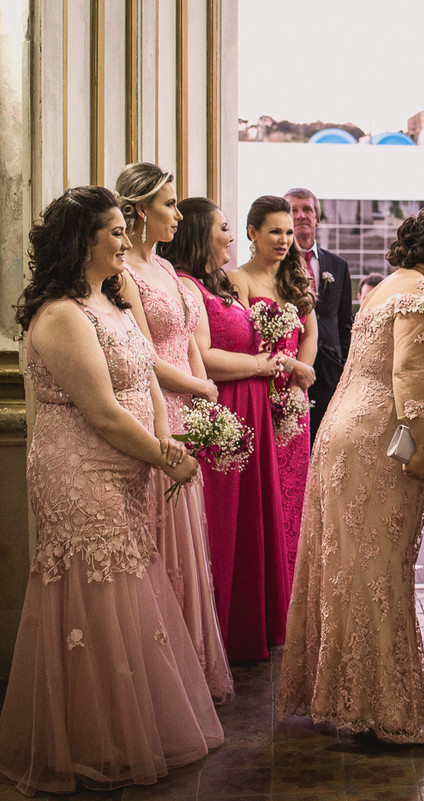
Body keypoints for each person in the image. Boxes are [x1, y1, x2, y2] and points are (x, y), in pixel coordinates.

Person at [0, 186, 222, 794]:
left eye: (126, 231)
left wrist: (163, 438)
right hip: (79, 470)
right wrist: (162, 457)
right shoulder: (63, 315)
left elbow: (145, 374)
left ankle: (123, 733)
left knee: (129, 590)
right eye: (116, 232)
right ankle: (90, 742)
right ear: (84, 242)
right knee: (99, 591)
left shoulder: (112, 300)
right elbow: (98, 411)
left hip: (127, 463)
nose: (127, 242)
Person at [276, 203, 424, 744]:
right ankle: (384, 709)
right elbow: (410, 373)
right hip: (382, 442)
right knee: (378, 568)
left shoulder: (394, 286)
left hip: (347, 433)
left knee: (354, 566)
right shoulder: (422, 297)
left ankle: (352, 694)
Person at [115, 163, 233, 701]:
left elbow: (187, 339)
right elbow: (143, 357)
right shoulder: (126, 276)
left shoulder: (170, 272)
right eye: (169, 204)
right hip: (157, 408)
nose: (179, 215)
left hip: (191, 406)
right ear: (140, 212)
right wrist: (201, 389)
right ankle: (157, 680)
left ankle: (188, 669)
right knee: (161, 542)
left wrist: (204, 392)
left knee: (188, 542)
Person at [173, 197, 290, 662]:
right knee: (223, 524)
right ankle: (218, 633)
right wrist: (263, 365)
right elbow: (206, 356)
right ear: (203, 233)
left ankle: (246, 627)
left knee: (249, 522)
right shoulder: (188, 288)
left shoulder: (217, 286)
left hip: (252, 408)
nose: (229, 236)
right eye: (223, 227)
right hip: (226, 410)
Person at [229, 196, 317, 585]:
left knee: (294, 495)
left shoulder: (293, 278)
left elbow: (310, 332)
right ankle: (266, 585)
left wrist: (301, 376)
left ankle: (292, 588)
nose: (285, 240)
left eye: (287, 233)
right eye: (275, 232)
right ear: (252, 233)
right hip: (256, 396)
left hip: (294, 401)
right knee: (264, 497)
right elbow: (240, 339)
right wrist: (288, 366)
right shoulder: (238, 279)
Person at [285, 188, 352, 443]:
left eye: (307, 209)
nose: (300, 215)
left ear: (318, 218)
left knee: (331, 440)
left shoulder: (338, 265)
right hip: (294, 366)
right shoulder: (278, 266)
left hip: (332, 370)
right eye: (293, 210)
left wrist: (345, 365)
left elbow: (346, 322)